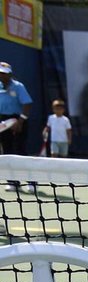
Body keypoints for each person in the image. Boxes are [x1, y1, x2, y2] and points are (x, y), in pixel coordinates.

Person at [0, 61, 34, 192]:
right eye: (0, 73)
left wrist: (20, 122)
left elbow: (27, 104)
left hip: (19, 120)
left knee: (21, 151)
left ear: (10, 74)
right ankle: (13, 182)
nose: (1, 75)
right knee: (7, 152)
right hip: (3, 121)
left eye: (4, 73)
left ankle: (31, 182)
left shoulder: (19, 86)